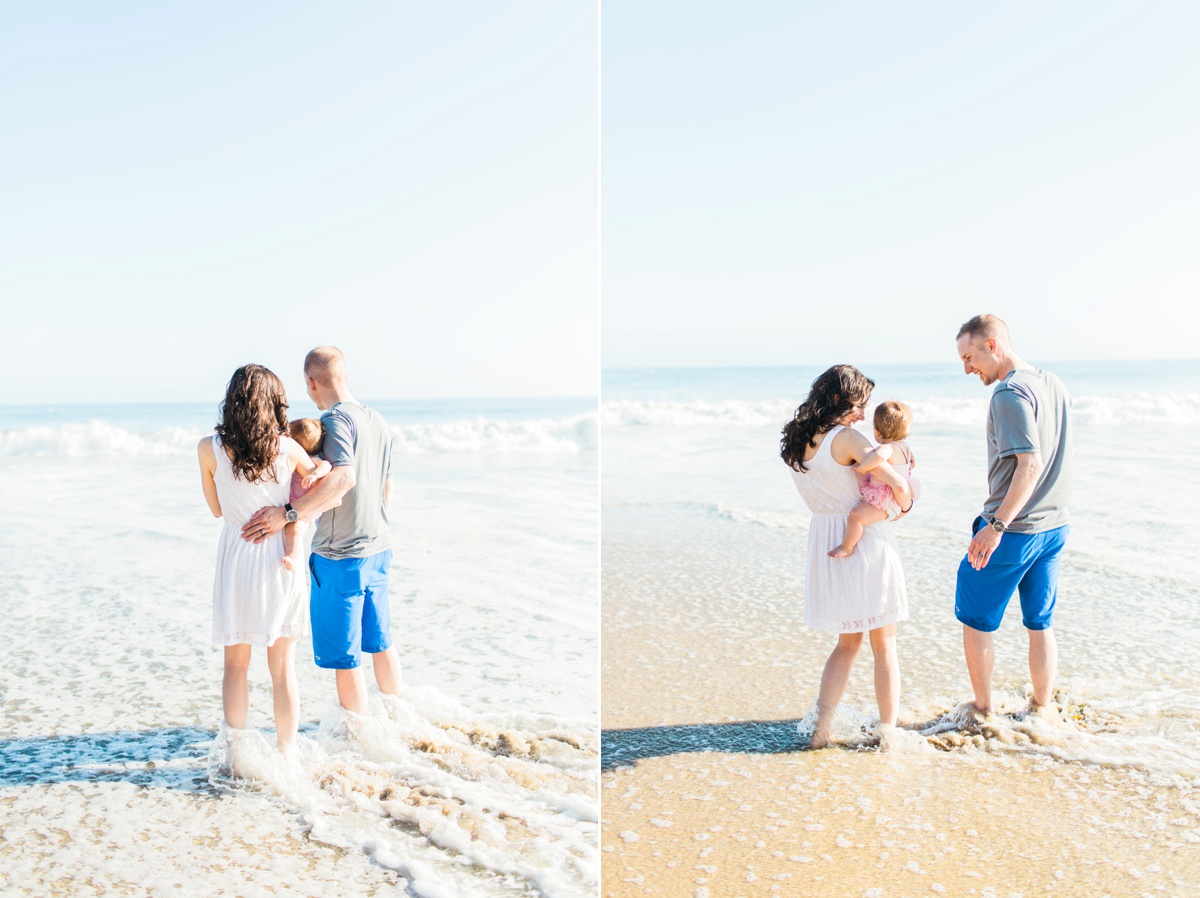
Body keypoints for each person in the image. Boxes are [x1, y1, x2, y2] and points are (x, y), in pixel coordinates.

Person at [242, 346, 402, 717]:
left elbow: (344, 476)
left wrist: (288, 514)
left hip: (340, 555)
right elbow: (386, 486)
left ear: (311, 383)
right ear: (344, 376)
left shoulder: (333, 421)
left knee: (346, 657)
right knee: (381, 642)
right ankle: (398, 719)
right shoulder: (377, 419)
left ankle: (358, 739)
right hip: (379, 548)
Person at [781, 365, 912, 750]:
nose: (862, 414)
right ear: (841, 399)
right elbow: (900, 486)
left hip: (826, 542)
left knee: (846, 644)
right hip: (866, 543)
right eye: (860, 404)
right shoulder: (848, 438)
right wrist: (901, 506)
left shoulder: (798, 441)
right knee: (884, 644)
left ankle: (821, 731)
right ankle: (889, 733)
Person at [197, 364, 326, 753]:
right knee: (282, 668)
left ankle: (236, 751)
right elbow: (318, 481)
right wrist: (286, 507)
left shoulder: (208, 447)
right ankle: (286, 753)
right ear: (274, 404)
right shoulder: (288, 448)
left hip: (237, 554)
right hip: (278, 555)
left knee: (235, 664)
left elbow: (217, 510)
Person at [954, 314, 1072, 720]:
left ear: (992, 345)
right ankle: (1041, 708)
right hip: (1055, 525)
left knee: (975, 617)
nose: (967, 368)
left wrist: (995, 528)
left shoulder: (1007, 393)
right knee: (1040, 621)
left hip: (1014, 529)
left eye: (970, 357)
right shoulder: (1052, 383)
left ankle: (982, 710)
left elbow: (1030, 464)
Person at [828, 400, 919, 558]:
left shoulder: (887, 448)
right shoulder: (906, 447)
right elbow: (911, 461)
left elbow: (878, 456)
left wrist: (863, 466)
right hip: (897, 499)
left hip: (885, 499)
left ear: (877, 432)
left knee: (856, 517)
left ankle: (847, 546)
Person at [280, 418, 331, 573]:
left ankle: (291, 556)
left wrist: (315, 475)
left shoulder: (312, 460)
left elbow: (326, 465)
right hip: (293, 502)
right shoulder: (292, 459)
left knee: (295, 529)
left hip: (305, 511)